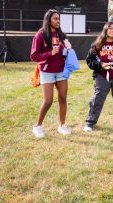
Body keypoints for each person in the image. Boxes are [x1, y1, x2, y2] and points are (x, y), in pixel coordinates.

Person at [30, 9, 72, 138]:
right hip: (47, 72)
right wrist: (50, 53)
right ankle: (38, 126)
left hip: (61, 71)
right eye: (55, 19)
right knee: (48, 101)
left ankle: (62, 125)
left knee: (63, 98)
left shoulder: (61, 35)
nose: (58, 21)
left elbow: (66, 53)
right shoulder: (40, 35)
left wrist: (69, 48)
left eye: (59, 19)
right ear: (48, 20)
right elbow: (34, 56)